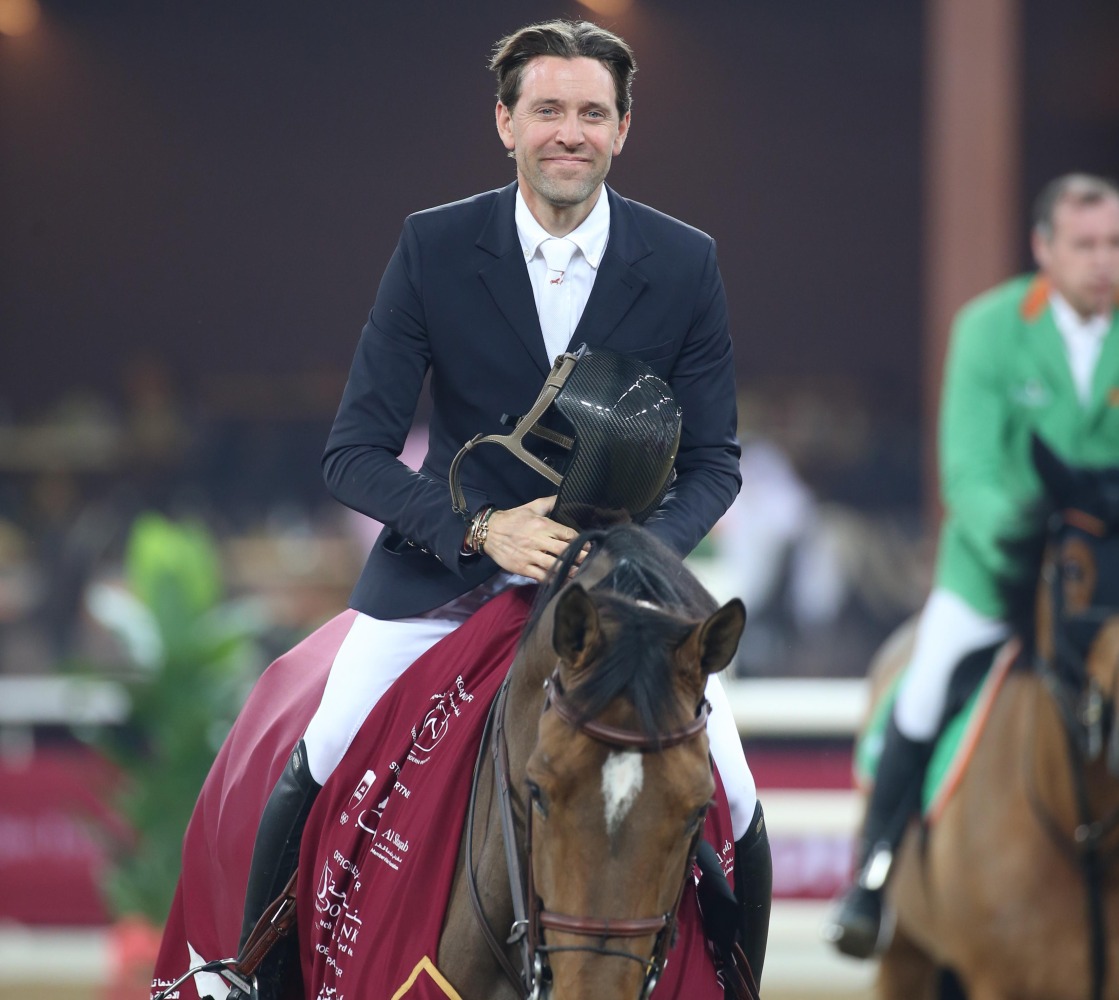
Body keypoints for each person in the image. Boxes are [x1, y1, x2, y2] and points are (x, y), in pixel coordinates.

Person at [230, 20, 772, 999]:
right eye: (549, 110)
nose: (571, 131)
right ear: (505, 121)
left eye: (593, 113)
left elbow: (716, 460)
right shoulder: (435, 246)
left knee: (733, 787)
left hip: (615, 599)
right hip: (441, 577)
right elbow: (352, 452)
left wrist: (627, 563)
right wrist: (484, 531)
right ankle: (255, 972)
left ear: (624, 129)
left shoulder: (685, 261)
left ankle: (740, 981)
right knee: (319, 752)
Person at [824, 172, 1119, 958]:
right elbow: (968, 473)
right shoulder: (988, 328)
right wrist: (1033, 538)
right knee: (921, 689)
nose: (1103, 261)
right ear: (1044, 249)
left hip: (1110, 579)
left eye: (1114, 244)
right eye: (1086, 245)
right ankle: (874, 875)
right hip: (998, 569)